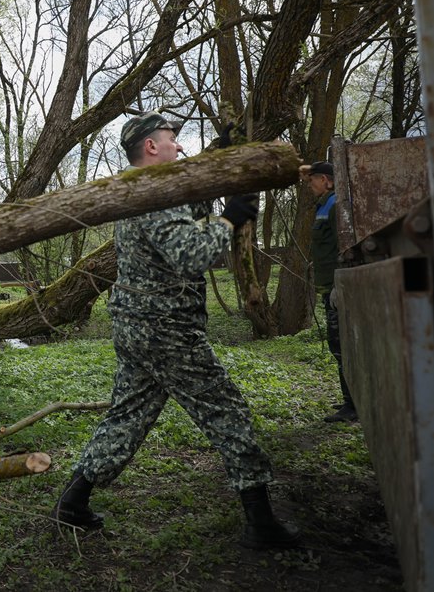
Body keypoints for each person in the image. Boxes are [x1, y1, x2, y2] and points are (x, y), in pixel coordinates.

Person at [50, 111, 300, 550]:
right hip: (166, 330)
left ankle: (72, 503)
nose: (179, 146)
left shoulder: (143, 189)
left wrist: (217, 162)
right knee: (227, 411)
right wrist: (231, 219)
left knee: (128, 416)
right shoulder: (154, 193)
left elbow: (188, 208)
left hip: (137, 326)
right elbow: (189, 253)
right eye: (172, 138)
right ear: (151, 146)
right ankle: (261, 523)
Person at [300, 161, 356, 423]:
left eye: (313, 180)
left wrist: (338, 284)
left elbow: (345, 247)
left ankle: (352, 405)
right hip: (328, 285)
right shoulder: (324, 204)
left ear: (327, 180)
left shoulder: (336, 205)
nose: (310, 185)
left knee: (342, 345)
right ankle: (351, 398)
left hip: (337, 289)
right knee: (338, 344)